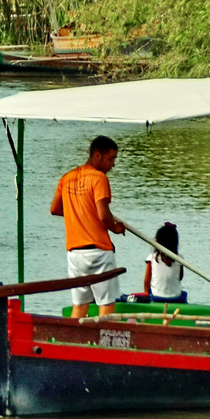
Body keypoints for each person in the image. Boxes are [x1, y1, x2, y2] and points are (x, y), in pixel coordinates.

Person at [50, 135, 130, 317]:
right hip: (98, 253)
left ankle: (70, 342)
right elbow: (103, 215)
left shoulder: (67, 178)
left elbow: (55, 209)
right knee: (106, 306)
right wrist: (116, 228)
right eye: (111, 159)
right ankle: (105, 344)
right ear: (97, 156)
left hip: (74, 255)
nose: (113, 165)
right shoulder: (98, 178)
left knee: (79, 306)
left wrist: (78, 211)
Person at [142, 222, 185, 301]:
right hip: (176, 297)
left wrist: (146, 294)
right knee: (183, 294)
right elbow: (180, 277)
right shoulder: (180, 258)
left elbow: (146, 281)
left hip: (156, 297)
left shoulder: (152, 258)